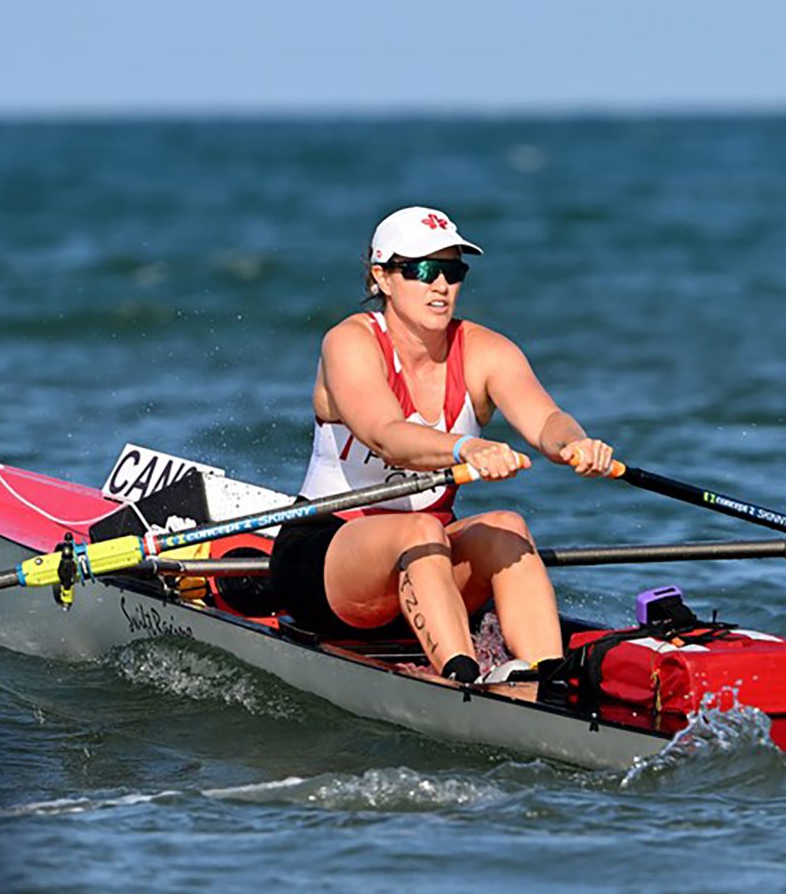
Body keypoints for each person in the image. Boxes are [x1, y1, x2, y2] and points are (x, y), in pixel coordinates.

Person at [228, 206, 615, 684]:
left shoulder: (486, 351)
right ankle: (463, 683)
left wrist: (575, 444)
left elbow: (547, 420)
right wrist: (465, 449)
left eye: (453, 272)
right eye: (422, 270)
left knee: (507, 526)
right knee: (420, 531)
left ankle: (545, 678)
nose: (441, 286)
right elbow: (384, 435)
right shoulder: (349, 342)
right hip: (325, 560)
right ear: (382, 278)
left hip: (428, 570)